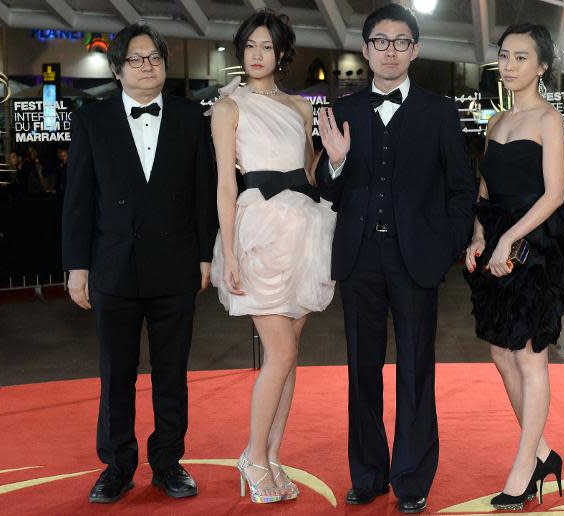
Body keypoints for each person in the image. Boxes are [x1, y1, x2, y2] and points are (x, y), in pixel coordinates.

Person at [316, 4, 475, 514]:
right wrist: (335, 162)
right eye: (380, 41)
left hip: (416, 261)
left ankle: (411, 477)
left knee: (415, 370)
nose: (390, 50)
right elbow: (325, 186)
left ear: (416, 50)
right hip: (360, 257)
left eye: (401, 41)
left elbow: (460, 188)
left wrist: (446, 246)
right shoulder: (344, 111)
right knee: (362, 370)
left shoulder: (439, 111)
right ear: (365, 50)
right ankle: (366, 473)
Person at [62, 23, 217, 504]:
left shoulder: (193, 118)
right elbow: (79, 199)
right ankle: (117, 465)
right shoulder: (93, 120)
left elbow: (203, 194)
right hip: (113, 266)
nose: (147, 66)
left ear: (165, 66)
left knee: (172, 373)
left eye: (155, 58)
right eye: (136, 59)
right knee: (117, 374)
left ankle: (168, 462)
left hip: (175, 266)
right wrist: (77, 265)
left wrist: (206, 254)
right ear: (117, 68)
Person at [209, 8, 336, 504]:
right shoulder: (228, 107)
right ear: (241, 52)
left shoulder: (301, 107)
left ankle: (273, 457)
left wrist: (334, 154)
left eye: (267, 47)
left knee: (290, 357)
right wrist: (231, 247)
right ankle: (253, 454)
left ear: (282, 54)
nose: (257, 55)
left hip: (304, 230)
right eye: (250, 46)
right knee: (279, 352)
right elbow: (225, 183)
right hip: (257, 229)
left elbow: (308, 174)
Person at [463, 23, 564, 511]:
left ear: (542, 66)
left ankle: (524, 466)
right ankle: (545, 454)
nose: (508, 66)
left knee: (530, 355)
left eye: (521, 58)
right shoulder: (494, 123)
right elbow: (486, 192)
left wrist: (509, 238)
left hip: (534, 248)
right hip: (496, 247)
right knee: (500, 354)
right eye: (504, 56)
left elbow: (555, 194)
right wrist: (479, 235)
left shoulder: (549, 119)